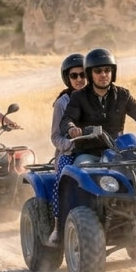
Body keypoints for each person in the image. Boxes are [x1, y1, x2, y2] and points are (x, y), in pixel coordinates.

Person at [60, 48, 136, 160]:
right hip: (89, 154)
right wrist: (72, 128)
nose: (103, 74)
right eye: (98, 71)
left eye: (107, 70)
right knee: (81, 166)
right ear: (90, 74)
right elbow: (67, 119)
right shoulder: (79, 96)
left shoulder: (122, 95)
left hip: (117, 153)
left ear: (112, 72)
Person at [47, 53, 87, 244]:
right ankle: (58, 226)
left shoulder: (96, 97)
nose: (79, 79)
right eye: (74, 75)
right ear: (67, 78)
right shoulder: (62, 102)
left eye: (83, 74)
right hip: (70, 152)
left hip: (97, 150)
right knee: (62, 177)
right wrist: (71, 145)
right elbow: (55, 136)